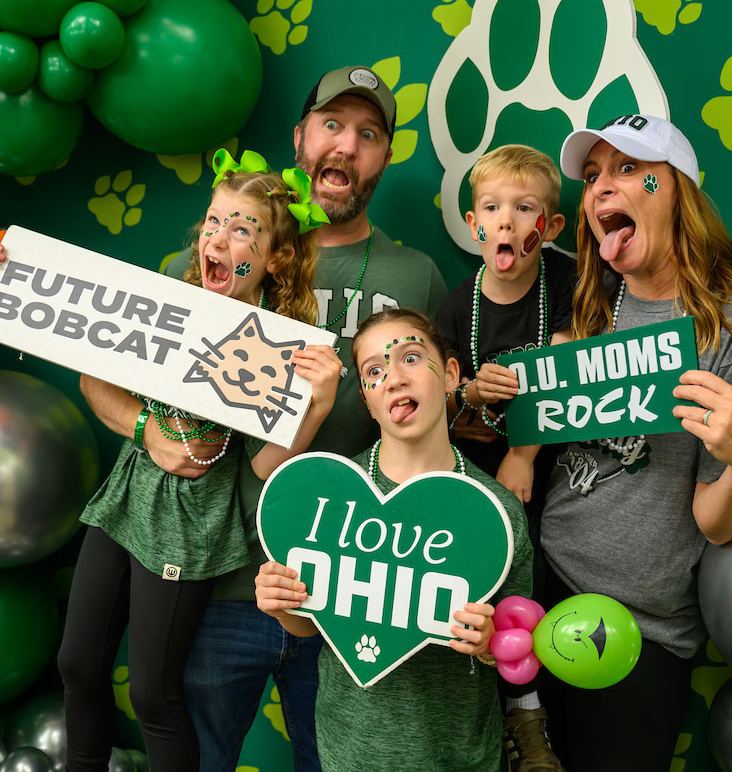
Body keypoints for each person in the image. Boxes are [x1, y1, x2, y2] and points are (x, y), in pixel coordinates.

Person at [0, 157, 343, 771]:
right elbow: (91, 363)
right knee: (77, 662)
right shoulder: (167, 294)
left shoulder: (280, 341)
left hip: (191, 522)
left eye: (242, 230)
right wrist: (5, 275)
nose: (217, 239)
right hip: (127, 494)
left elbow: (261, 470)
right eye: (212, 222)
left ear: (275, 259)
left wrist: (317, 407)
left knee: (151, 690)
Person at [163, 66, 449, 770]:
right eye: (331, 125)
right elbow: (111, 346)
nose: (345, 147)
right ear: (300, 138)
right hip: (226, 577)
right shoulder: (216, 259)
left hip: (346, 585)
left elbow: (438, 418)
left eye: (368, 134)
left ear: (384, 157)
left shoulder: (418, 278)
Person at [536, 114, 732, 770]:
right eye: (592, 176)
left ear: (677, 188)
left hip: (635, 630)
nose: (600, 189)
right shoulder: (592, 314)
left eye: (629, 169)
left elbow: (717, 522)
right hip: (537, 592)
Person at [255, 308, 533, 772]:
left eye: (409, 358)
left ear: (449, 375)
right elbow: (310, 624)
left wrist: (489, 643)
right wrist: (283, 603)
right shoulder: (330, 495)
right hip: (353, 749)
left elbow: (517, 638)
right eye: (374, 372)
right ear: (366, 398)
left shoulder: (497, 510)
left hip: (459, 753)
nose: (394, 379)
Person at [434, 144, 575, 771]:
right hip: (474, 467)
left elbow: (567, 372)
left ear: (551, 227)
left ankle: (529, 718)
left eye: (526, 209)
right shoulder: (457, 304)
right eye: (493, 208)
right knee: (475, 591)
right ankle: (483, 721)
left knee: (531, 587)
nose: (509, 221)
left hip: (547, 469)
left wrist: (522, 452)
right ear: (474, 226)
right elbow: (445, 403)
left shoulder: (569, 281)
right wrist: (468, 391)